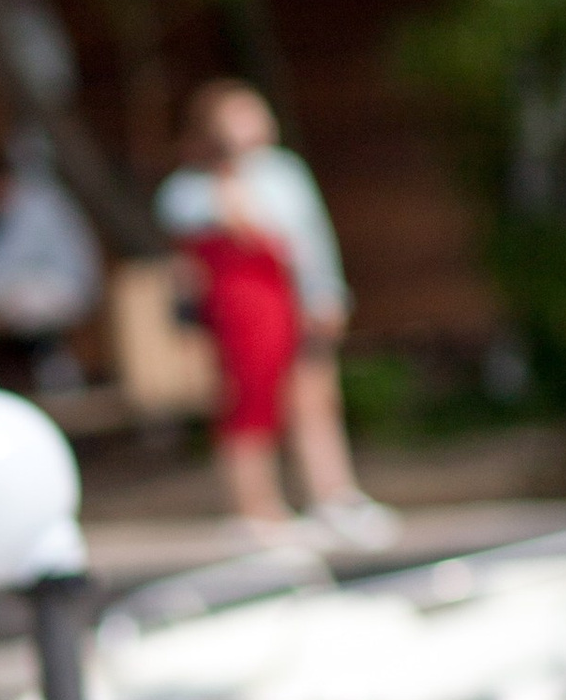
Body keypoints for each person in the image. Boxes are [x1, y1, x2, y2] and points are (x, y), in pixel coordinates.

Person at [157, 79, 399, 546]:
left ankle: (334, 496)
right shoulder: (191, 187)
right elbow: (202, 237)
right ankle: (257, 505)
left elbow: (309, 239)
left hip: (291, 299)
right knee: (251, 404)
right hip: (242, 314)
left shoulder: (284, 173)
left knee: (315, 397)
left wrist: (325, 291)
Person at [0, 133, 102, 391]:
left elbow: (2, 270)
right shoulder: (21, 205)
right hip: (47, 286)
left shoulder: (32, 205)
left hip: (67, 288)